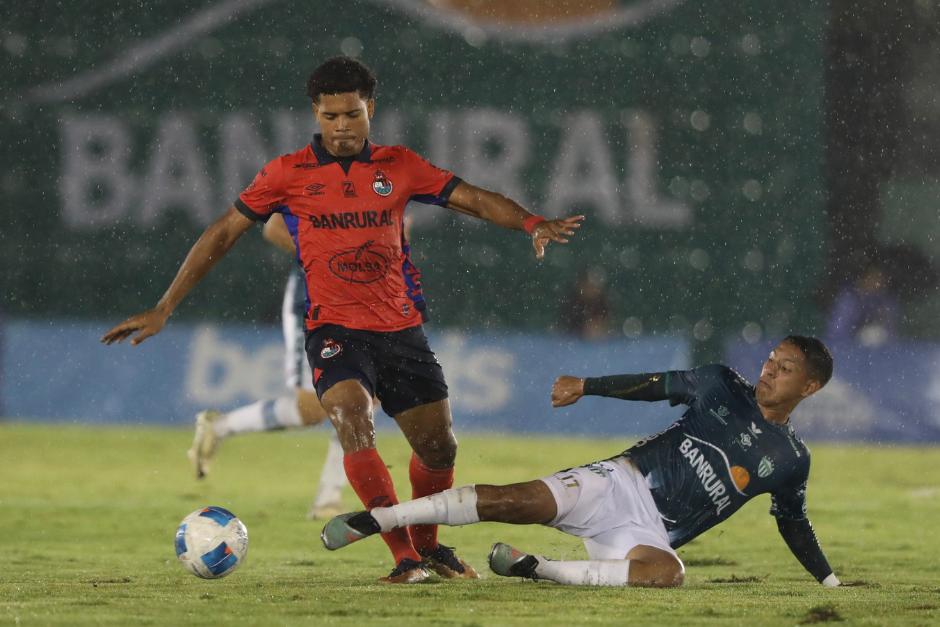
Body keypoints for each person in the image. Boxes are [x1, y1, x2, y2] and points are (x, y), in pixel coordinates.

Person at [101, 56, 583, 584]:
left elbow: (473, 199)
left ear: (370, 108)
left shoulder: (399, 165)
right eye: (330, 116)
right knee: (353, 416)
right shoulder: (286, 173)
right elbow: (224, 231)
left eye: (352, 114)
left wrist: (531, 222)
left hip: (400, 330)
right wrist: (165, 306)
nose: (342, 127)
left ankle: (428, 547)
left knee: (439, 447)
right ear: (316, 113)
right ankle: (403, 558)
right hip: (334, 330)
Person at [321, 336, 842, 589]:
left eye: (785, 368)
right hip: (620, 483)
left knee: (669, 574)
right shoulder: (721, 384)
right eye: (771, 359)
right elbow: (654, 385)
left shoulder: (791, 459)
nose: (769, 370)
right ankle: (380, 518)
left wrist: (829, 582)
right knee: (511, 501)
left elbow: (793, 522)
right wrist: (587, 386)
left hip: (647, 534)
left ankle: (537, 568)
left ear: (810, 387)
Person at [187, 214, 349, 520]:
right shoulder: (313, 184)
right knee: (312, 411)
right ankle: (220, 427)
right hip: (313, 304)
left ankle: (329, 497)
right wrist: (330, 262)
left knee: (366, 396)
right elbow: (274, 227)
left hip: (365, 302)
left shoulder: (383, 188)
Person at [826, 262, 900, 347]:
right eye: (873, 279)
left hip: (878, 352)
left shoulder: (882, 300)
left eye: (880, 280)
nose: (878, 284)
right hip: (848, 350)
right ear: (862, 279)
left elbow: (892, 335)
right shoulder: (849, 300)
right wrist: (858, 337)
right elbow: (836, 334)